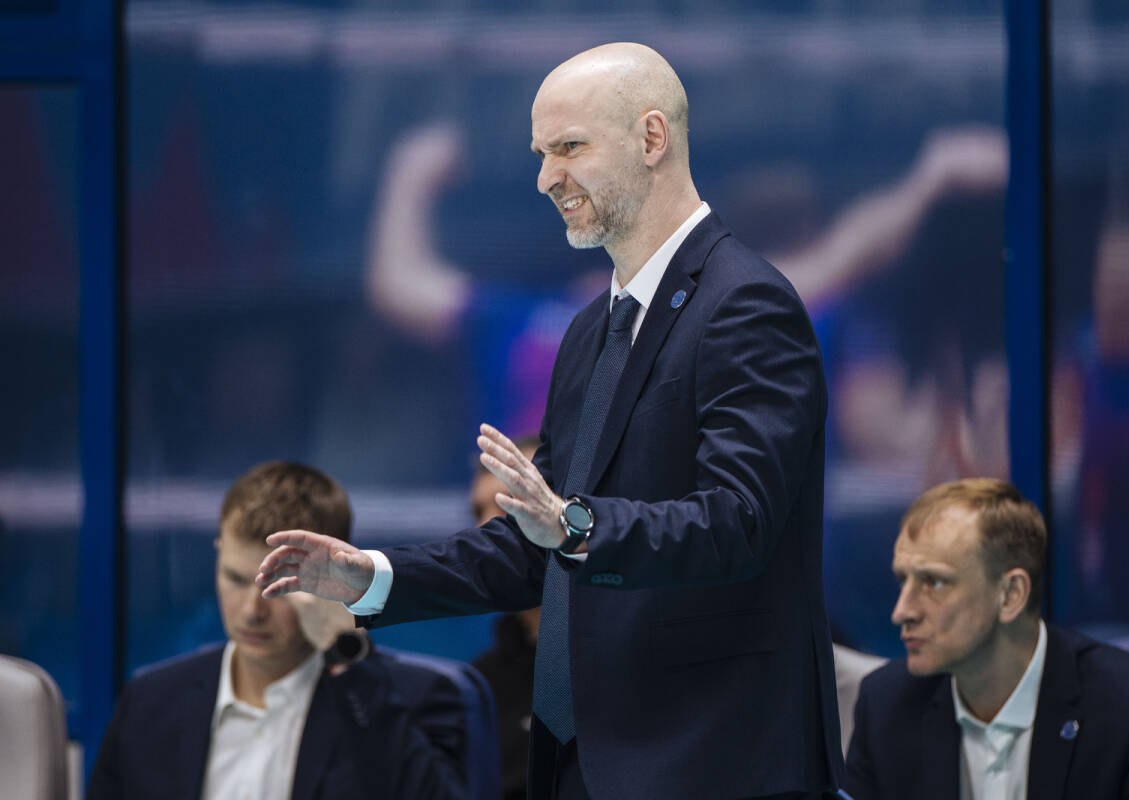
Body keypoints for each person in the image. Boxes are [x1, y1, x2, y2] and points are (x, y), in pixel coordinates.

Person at [257, 42, 843, 799]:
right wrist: (372, 578)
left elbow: (737, 520)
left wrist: (572, 524)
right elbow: (537, 544)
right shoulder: (589, 331)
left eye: (569, 148)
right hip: (583, 760)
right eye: (541, 155)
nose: (546, 179)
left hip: (711, 762)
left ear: (652, 138)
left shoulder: (747, 303)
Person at [87, 461, 469, 800]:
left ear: (334, 579)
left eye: (279, 587)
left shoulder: (407, 702)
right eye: (236, 578)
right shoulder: (149, 703)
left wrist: (348, 656)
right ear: (218, 553)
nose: (252, 611)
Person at [844, 478, 1129, 799]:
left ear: (1011, 594)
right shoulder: (887, 706)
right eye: (903, 581)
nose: (902, 611)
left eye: (934, 582)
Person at [467, 435, 542, 800]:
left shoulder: (630, 658)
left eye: (505, 505)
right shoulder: (479, 686)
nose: (483, 529)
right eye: (478, 512)